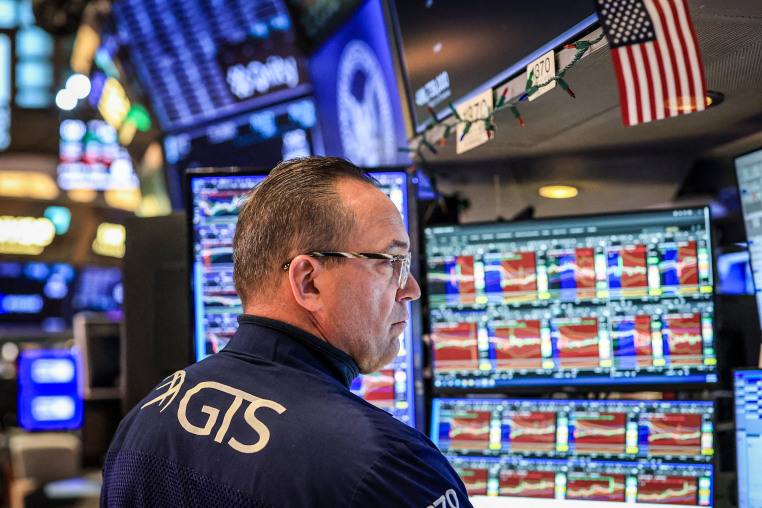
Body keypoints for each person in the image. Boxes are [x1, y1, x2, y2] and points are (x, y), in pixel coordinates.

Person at [101, 156, 473, 508]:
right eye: (391, 261)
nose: (411, 289)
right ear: (309, 282)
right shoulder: (388, 466)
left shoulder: (143, 421)